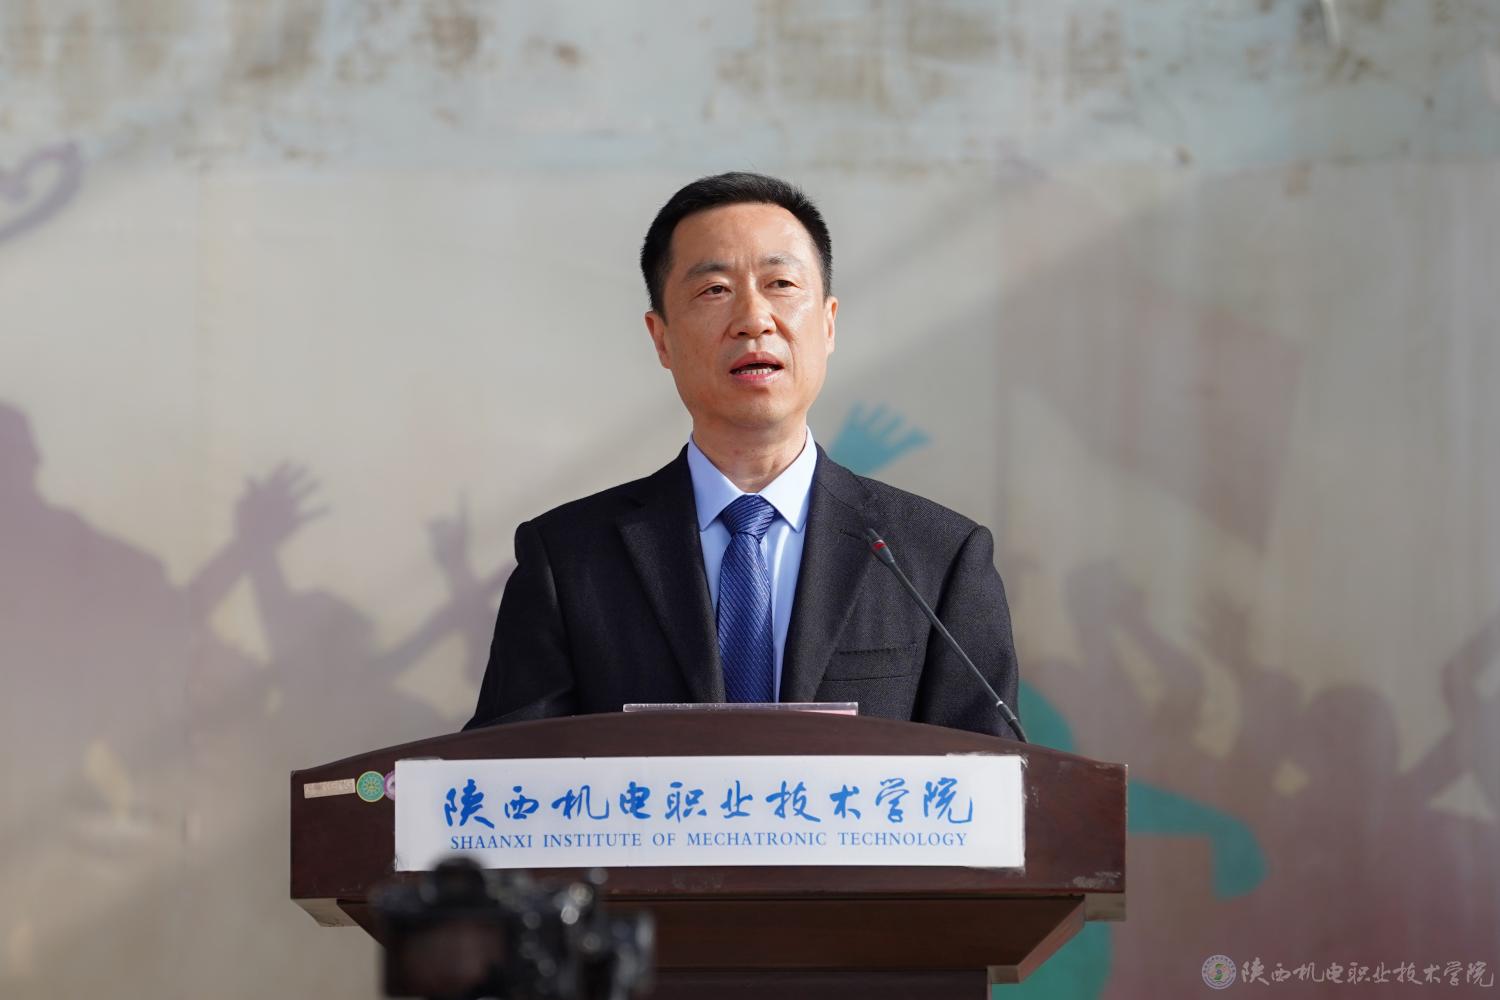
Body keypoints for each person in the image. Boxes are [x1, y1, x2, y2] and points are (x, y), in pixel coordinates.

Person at [465, 172, 1019, 737]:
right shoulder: (568, 558)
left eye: (781, 283)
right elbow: (503, 768)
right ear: (661, 338)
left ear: (828, 324)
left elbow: (990, 772)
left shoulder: (936, 556)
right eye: (715, 290)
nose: (754, 319)